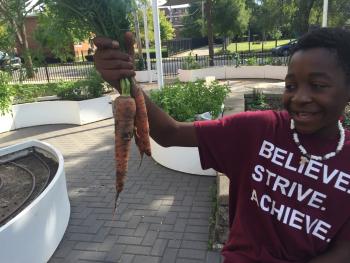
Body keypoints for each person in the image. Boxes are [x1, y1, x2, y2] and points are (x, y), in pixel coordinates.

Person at [93, 27, 350, 263]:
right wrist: (125, 83)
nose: (300, 97)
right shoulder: (258, 130)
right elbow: (170, 133)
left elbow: (344, 249)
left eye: (317, 85)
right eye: (290, 85)